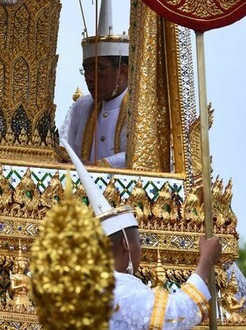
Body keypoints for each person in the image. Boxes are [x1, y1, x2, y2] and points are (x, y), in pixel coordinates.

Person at [61, 140, 222, 329]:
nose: (141, 249)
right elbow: (173, 316)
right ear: (126, 245)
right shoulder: (118, 287)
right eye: (139, 242)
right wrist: (205, 261)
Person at [61, 0, 130, 167]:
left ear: (122, 71)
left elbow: (145, 157)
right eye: (86, 69)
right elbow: (65, 147)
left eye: (99, 69)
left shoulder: (139, 108)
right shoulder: (82, 107)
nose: (89, 77)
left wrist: (101, 166)